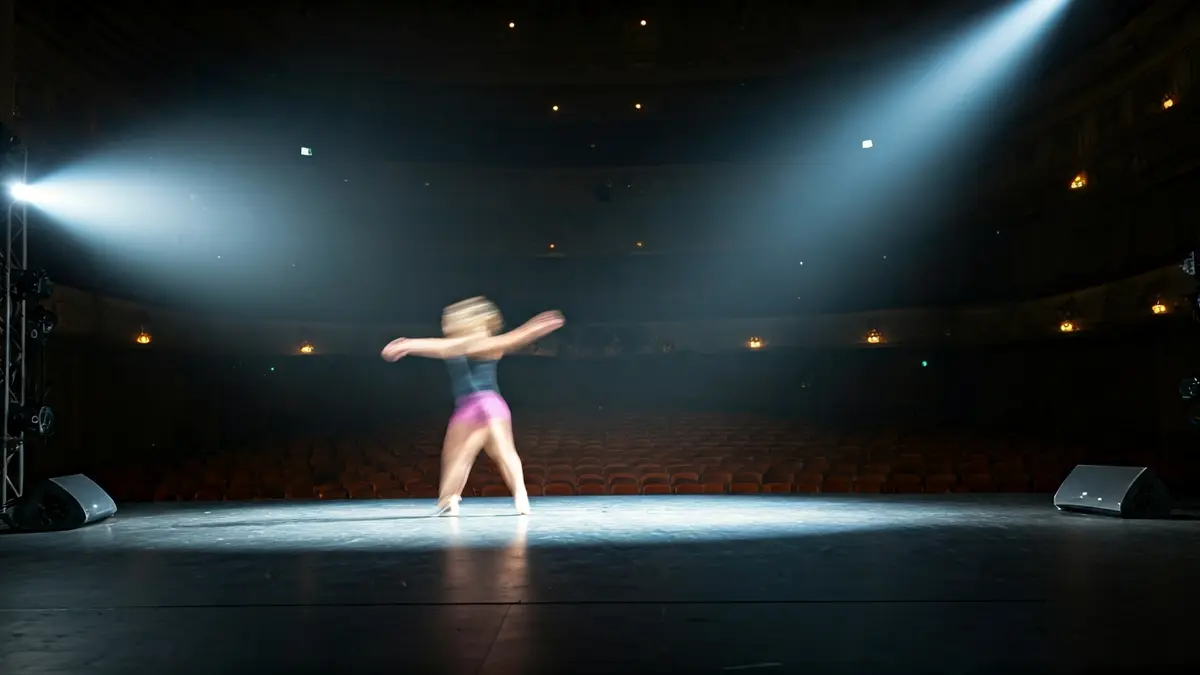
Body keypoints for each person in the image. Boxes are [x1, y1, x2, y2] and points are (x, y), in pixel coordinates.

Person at [381, 298, 564, 516]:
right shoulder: (489, 345)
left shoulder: (459, 345)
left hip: (469, 407)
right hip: (494, 405)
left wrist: (408, 344)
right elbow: (510, 339)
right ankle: (520, 495)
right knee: (505, 452)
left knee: (458, 456)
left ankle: (449, 498)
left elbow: (446, 346)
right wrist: (530, 330)